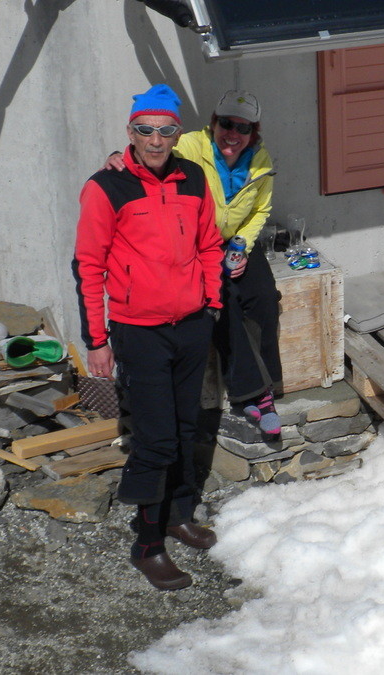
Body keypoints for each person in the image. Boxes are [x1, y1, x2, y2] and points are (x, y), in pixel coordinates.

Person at [74, 84, 225, 591]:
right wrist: (97, 339)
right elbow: (88, 264)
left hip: (190, 324)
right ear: (130, 132)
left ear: (178, 134)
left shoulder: (195, 178)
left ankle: (179, 514)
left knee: (186, 427)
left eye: (165, 131)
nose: (155, 140)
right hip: (139, 332)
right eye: (145, 130)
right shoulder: (106, 187)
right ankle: (147, 542)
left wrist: (213, 303)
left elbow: (209, 245)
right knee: (156, 437)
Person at [106, 89, 283, 439]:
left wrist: (241, 246)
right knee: (223, 300)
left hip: (234, 242)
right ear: (214, 123)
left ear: (254, 132)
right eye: (227, 124)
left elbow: (261, 209)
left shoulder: (260, 160)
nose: (233, 133)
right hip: (196, 241)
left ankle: (271, 381)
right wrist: (118, 157)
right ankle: (253, 395)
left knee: (264, 296)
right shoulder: (189, 145)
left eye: (243, 128)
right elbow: (151, 151)